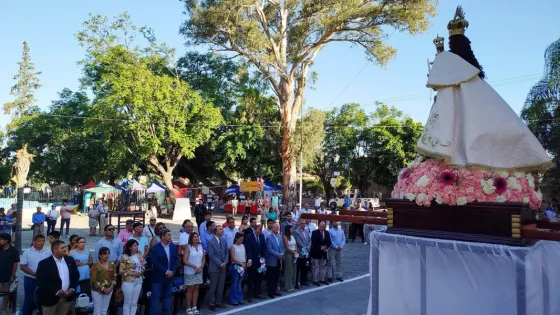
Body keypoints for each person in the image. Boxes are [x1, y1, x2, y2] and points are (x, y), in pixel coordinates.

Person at [417, 7, 551, 172]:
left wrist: (440, 56)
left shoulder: (448, 61)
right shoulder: (468, 71)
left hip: (455, 102)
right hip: (463, 100)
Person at [36, 240, 79, 315]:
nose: (65, 249)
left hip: (66, 298)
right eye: (62, 248)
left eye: (65, 247)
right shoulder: (44, 263)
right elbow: (41, 281)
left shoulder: (70, 260)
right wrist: (57, 291)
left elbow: (75, 276)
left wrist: (72, 288)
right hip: (50, 299)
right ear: (55, 250)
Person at [20, 234, 52, 315]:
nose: (41, 243)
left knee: (43, 299)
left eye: (43, 241)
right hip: (30, 279)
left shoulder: (48, 252)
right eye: (39, 241)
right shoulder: (27, 252)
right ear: (34, 242)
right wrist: (34, 273)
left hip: (44, 280)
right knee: (29, 299)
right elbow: (23, 266)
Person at [149, 228, 178, 315]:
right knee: (155, 297)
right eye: (168, 235)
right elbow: (155, 262)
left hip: (170, 276)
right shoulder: (155, 248)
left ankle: (166, 313)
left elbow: (176, 260)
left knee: (167, 296)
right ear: (162, 237)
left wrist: (172, 271)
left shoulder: (173, 246)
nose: (170, 237)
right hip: (158, 277)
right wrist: (166, 271)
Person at [120, 239, 145, 315]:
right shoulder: (125, 257)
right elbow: (121, 270)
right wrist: (134, 273)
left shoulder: (139, 254)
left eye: (137, 245)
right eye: (135, 245)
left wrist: (141, 271)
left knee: (134, 302)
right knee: (128, 303)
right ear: (130, 247)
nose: (137, 247)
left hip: (139, 280)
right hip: (128, 282)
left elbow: (143, 265)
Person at [207, 225, 228, 311]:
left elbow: (227, 252)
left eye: (222, 229)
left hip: (223, 267)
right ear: (215, 231)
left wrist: (225, 262)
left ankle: (219, 302)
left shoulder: (223, 240)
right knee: (213, 286)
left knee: (221, 286)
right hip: (214, 267)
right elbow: (211, 255)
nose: (222, 230)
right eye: (220, 229)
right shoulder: (210, 241)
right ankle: (211, 303)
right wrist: (220, 263)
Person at [183, 232, 205, 315]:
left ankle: (194, 306)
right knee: (190, 289)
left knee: (196, 288)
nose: (196, 238)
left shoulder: (201, 246)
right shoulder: (188, 247)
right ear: (191, 239)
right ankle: (188, 307)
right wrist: (193, 266)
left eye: (197, 237)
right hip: (190, 271)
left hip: (199, 270)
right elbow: (184, 260)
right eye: (194, 237)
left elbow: (203, 258)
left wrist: (201, 266)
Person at [90, 247, 116, 315]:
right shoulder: (95, 266)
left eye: (108, 253)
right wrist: (103, 288)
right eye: (104, 254)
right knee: (97, 310)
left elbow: (114, 277)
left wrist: (111, 288)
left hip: (109, 289)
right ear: (100, 255)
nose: (107, 255)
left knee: (104, 310)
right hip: (97, 290)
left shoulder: (112, 264)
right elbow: (93, 280)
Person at [244, 224, 266, 302]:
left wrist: (263, 257)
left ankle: (257, 293)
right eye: (257, 232)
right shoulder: (249, 237)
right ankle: (249, 295)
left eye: (259, 231)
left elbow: (264, 247)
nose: (258, 233)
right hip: (252, 261)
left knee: (259, 277)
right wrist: (249, 259)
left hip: (260, 261)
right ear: (254, 230)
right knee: (251, 278)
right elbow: (248, 249)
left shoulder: (262, 236)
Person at [0, 232, 19, 315]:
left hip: (7, 275)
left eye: (1, 239)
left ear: (6, 241)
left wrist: (12, 275)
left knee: (6, 292)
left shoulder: (13, 250)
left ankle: (4, 309)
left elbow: (15, 263)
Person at [265, 222, 284, 298]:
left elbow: (282, 247)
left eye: (278, 227)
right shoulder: (269, 238)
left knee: (277, 276)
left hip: (279, 260)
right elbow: (269, 249)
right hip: (272, 260)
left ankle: (275, 290)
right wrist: (277, 255)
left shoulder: (279, 236)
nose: (277, 228)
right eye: (275, 227)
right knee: (271, 277)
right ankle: (270, 292)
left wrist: (282, 254)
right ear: (272, 228)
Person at [310, 221, 331, 286]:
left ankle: (322, 279)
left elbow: (329, 242)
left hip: (324, 253)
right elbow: (314, 243)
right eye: (320, 227)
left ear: (325, 227)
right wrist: (322, 247)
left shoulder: (327, 233)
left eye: (323, 227)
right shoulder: (314, 232)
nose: (322, 228)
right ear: (318, 226)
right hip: (316, 252)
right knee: (315, 266)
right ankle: (315, 280)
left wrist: (326, 247)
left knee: (323, 266)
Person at [229, 232, 246, 305]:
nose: (241, 241)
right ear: (236, 239)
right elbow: (233, 258)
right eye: (240, 240)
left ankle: (240, 298)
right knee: (235, 282)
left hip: (242, 265)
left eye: (242, 240)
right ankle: (234, 299)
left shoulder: (243, 245)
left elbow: (245, 254)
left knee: (239, 282)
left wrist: (245, 262)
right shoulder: (233, 247)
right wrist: (240, 263)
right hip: (236, 265)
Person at [293, 219, 310, 288]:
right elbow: (299, 242)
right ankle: (296, 282)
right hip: (300, 252)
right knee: (297, 269)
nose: (304, 224)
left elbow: (309, 239)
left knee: (305, 267)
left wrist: (309, 246)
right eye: (302, 223)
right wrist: (306, 247)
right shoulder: (296, 232)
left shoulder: (306, 231)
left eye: (304, 223)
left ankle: (304, 281)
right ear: (299, 224)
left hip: (306, 253)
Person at [282, 224, 297, 292]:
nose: (292, 230)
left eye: (292, 229)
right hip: (288, 254)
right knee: (289, 270)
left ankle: (292, 285)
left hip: (294, 253)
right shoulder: (285, 237)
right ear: (288, 229)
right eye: (291, 229)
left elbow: (295, 244)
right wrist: (293, 252)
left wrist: (296, 251)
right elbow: (287, 248)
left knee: (294, 269)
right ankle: (288, 286)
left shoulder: (292, 236)